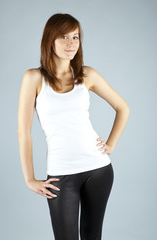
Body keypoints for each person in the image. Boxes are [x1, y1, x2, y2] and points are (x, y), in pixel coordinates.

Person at [18, 13, 130, 240]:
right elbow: (24, 132)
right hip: (61, 174)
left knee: (92, 236)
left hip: (98, 170)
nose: (71, 43)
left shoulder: (87, 74)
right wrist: (29, 179)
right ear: (50, 40)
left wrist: (110, 145)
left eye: (76, 37)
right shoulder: (33, 78)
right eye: (64, 36)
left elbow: (123, 108)